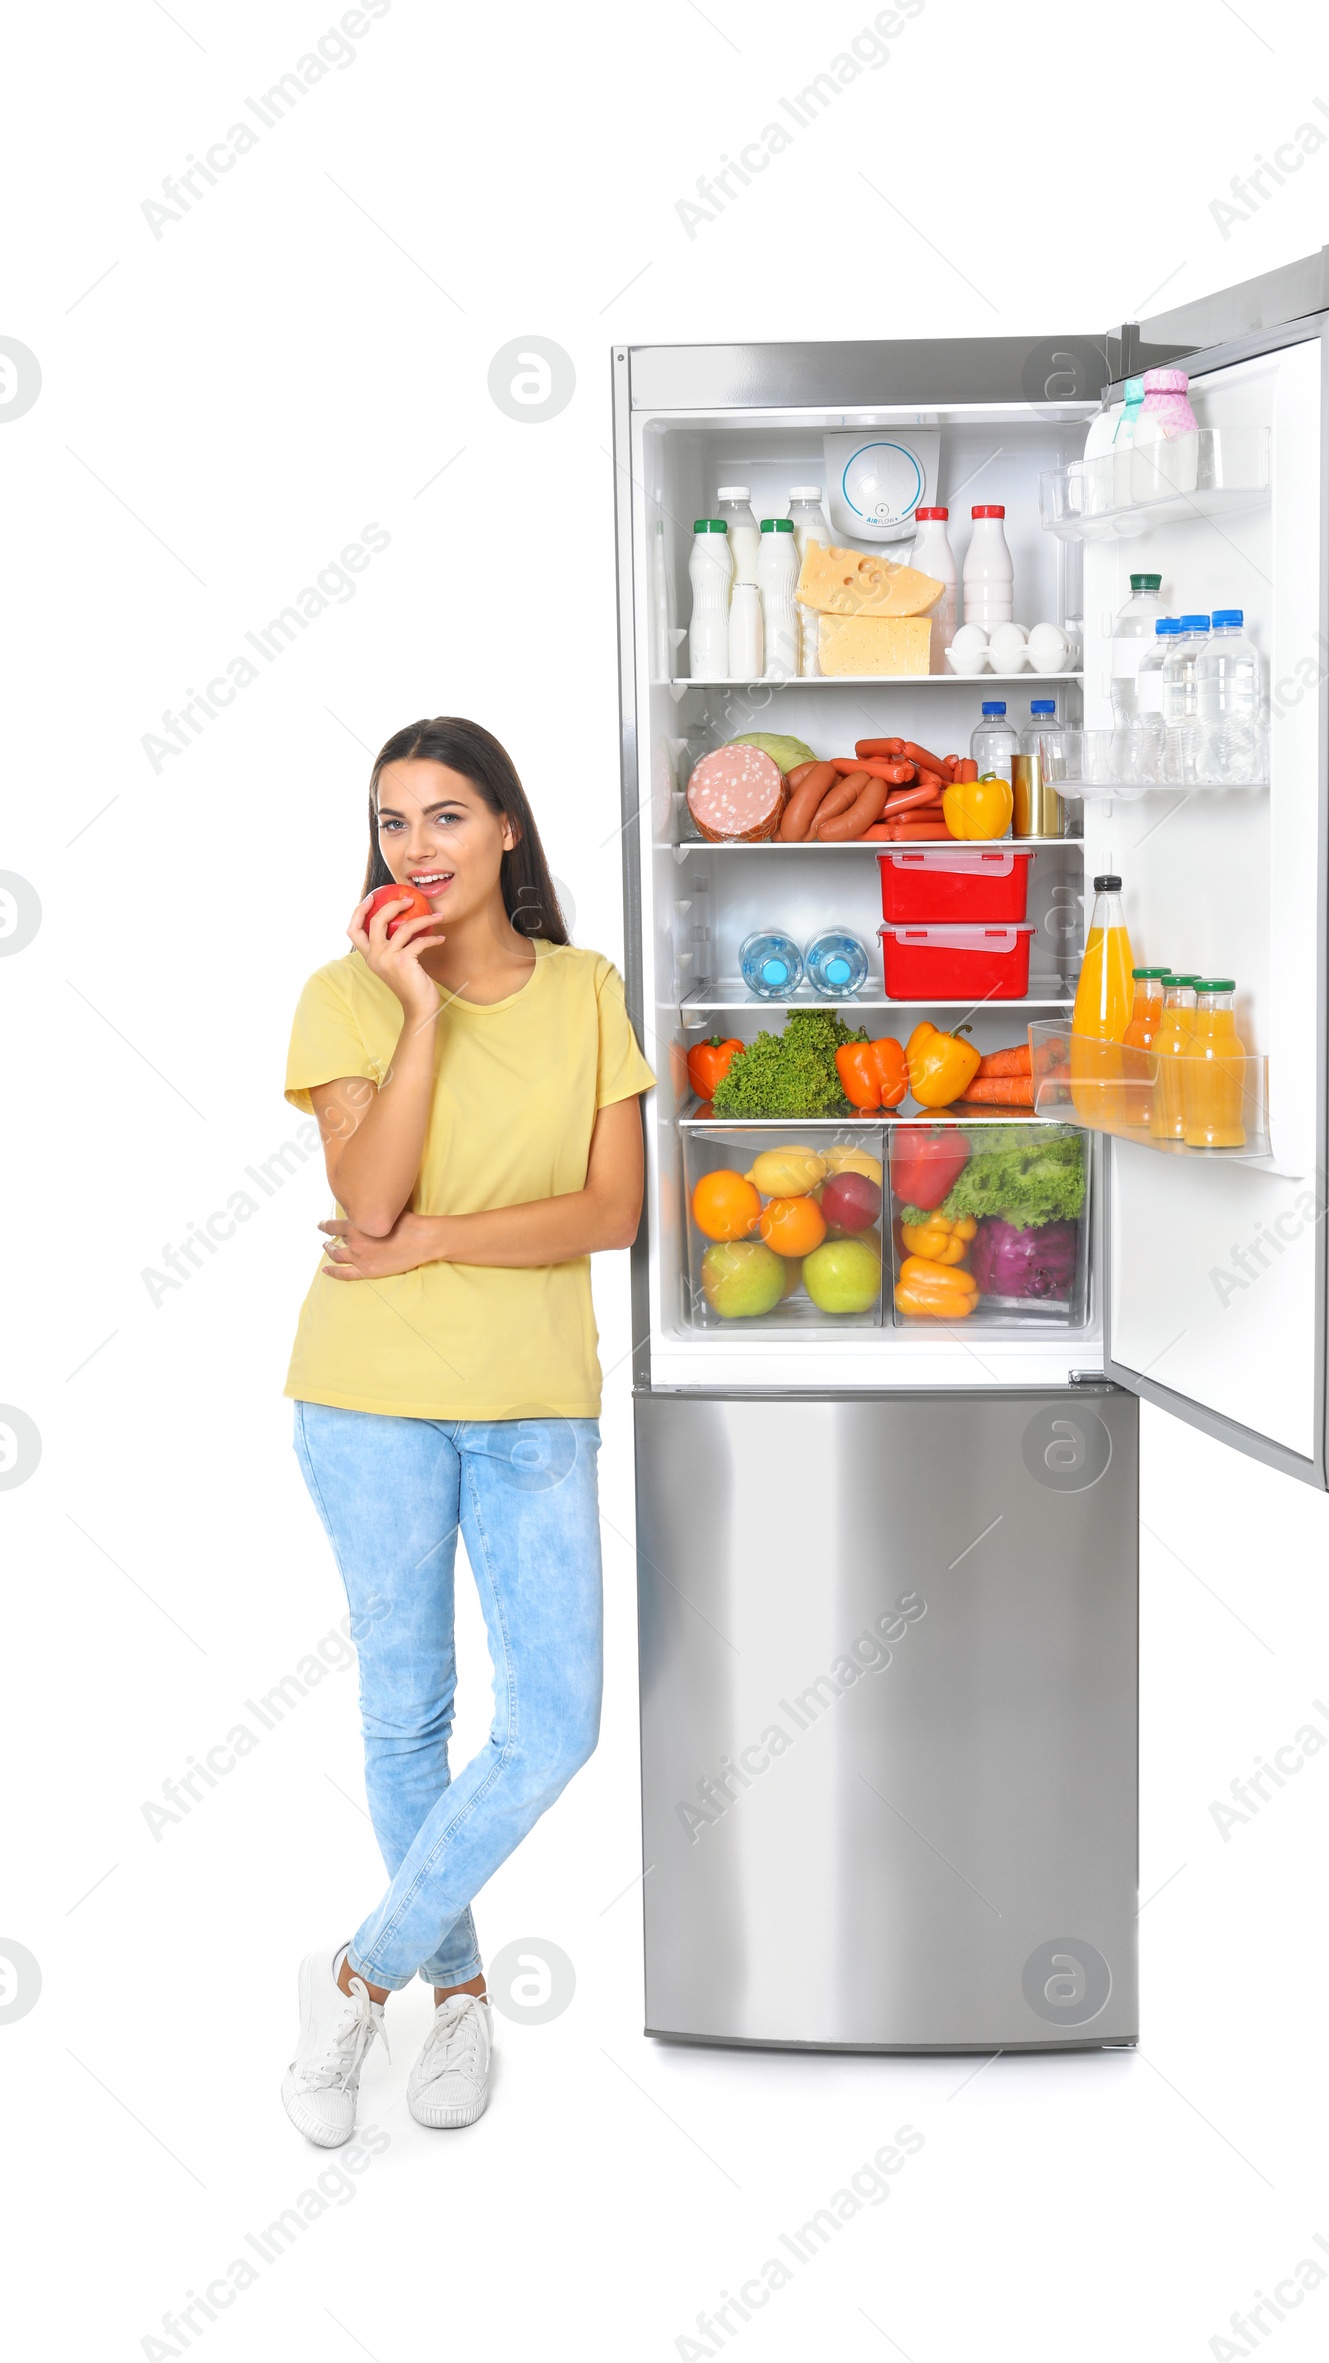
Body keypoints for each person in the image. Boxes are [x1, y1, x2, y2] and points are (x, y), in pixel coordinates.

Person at [278, 716, 653, 2145]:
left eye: (444, 818)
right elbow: (364, 1204)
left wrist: (437, 1236)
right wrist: (422, 1014)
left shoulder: (585, 991)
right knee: (409, 1719)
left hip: (534, 1402)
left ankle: (358, 1974)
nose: (415, 849)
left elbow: (610, 1213)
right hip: (367, 1403)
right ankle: (460, 2000)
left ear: (506, 829)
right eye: (390, 823)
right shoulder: (342, 996)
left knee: (553, 1726)